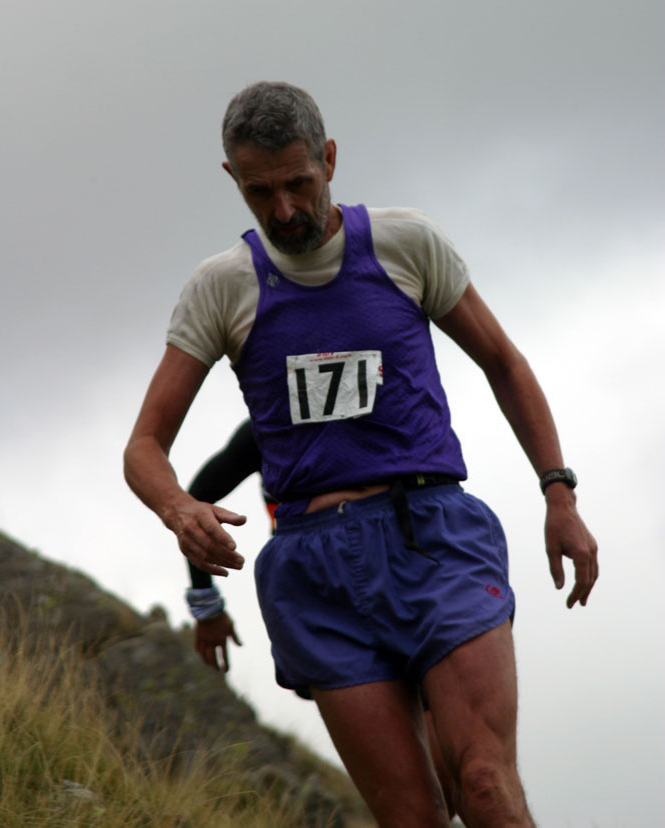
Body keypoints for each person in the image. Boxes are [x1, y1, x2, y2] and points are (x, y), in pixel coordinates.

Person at [124, 81, 598, 828]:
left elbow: (504, 362)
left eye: (299, 184)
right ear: (232, 178)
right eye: (259, 192)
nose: (285, 211)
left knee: (482, 785)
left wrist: (558, 493)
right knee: (412, 815)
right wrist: (178, 509)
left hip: (433, 535)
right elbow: (145, 445)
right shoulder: (222, 288)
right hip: (314, 570)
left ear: (330, 160)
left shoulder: (406, 244)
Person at [184, 419, 461, 820]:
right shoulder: (267, 428)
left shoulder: (383, 405)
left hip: (409, 589)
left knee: (454, 786)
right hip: (326, 607)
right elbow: (195, 502)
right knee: (412, 799)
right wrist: (205, 603)